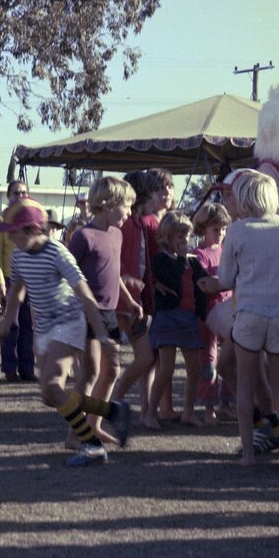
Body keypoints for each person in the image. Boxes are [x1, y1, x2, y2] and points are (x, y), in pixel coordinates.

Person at [0, 197, 131, 467]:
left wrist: (100, 333)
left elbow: (84, 292)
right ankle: (113, 411)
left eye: (13, 232)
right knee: (49, 395)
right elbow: (17, 293)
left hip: (69, 321)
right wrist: (4, 326)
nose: (9, 238)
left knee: (53, 386)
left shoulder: (57, 252)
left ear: (32, 229)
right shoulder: (18, 256)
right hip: (44, 327)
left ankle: (91, 445)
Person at [199, 172, 279, 467]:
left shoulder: (238, 231)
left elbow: (225, 278)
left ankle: (248, 453)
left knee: (245, 383)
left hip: (249, 313)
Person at [67, 177, 142, 444]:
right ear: (108, 204)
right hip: (86, 312)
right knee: (89, 374)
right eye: (127, 206)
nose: (130, 212)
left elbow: (114, 272)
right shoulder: (83, 237)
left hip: (109, 312)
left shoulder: (117, 234)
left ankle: (93, 425)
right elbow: (67, 274)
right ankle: (75, 434)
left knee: (111, 371)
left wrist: (129, 300)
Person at [110, 170, 162, 427]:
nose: (159, 197)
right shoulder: (127, 225)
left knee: (145, 357)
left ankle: (118, 403)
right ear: (143, 194)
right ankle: (112, 403)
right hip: (120, 301)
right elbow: (116, 263)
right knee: (112, 360)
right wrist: (127, 285)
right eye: (155, 192)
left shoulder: (139, 223)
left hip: (134, 300)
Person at [147, 211, 209, 428]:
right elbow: (171, 279)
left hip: (189, 318)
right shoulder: (161, 259)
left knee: (194, 368)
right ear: (167, 236)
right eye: (180, 237)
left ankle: (188, 412)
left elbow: (205, 282)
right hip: (168, 317)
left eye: (187, 237)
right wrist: (181, 258)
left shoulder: (192, 262)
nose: (184, 241)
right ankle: (151, 413)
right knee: (166, 367)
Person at [0, 179, 36, 383]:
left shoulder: (32, 220)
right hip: (10, 279)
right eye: (16, 193)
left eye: (24, 193)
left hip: (31, 280)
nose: (20, 196)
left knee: (29, 326)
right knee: (12, 326)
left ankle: (28, 369)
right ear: (8, 196)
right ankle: (10, 369)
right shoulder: (0, 220)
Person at [191, 202, 233, 424]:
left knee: (229, 356)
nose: (220, 233)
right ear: (203, 229)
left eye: (223, 229)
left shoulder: (227, 251)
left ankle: (226, 403)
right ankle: (209, 408)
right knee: (209, 359)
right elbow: (204, 283)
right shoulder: (199, 255)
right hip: (207, 314)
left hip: (228, 310)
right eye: (216, 229)